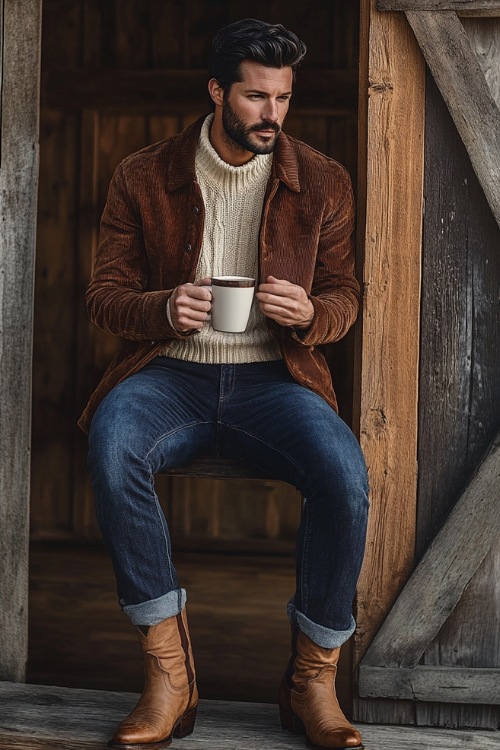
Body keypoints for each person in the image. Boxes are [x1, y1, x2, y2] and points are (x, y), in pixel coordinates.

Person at [80, 17, 369, 750]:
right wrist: (162, 307)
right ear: (216, 91)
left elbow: (345, 296)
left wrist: (311, 313)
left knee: (344, 473)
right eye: (255, 97)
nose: (272, 114)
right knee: (113, 444)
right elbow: (104, 295)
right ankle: (169, 674)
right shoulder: (143, 174)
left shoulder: (324, 181)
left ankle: (311, 680)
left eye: (283, 98)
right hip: (168, 376)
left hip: (278, 380)